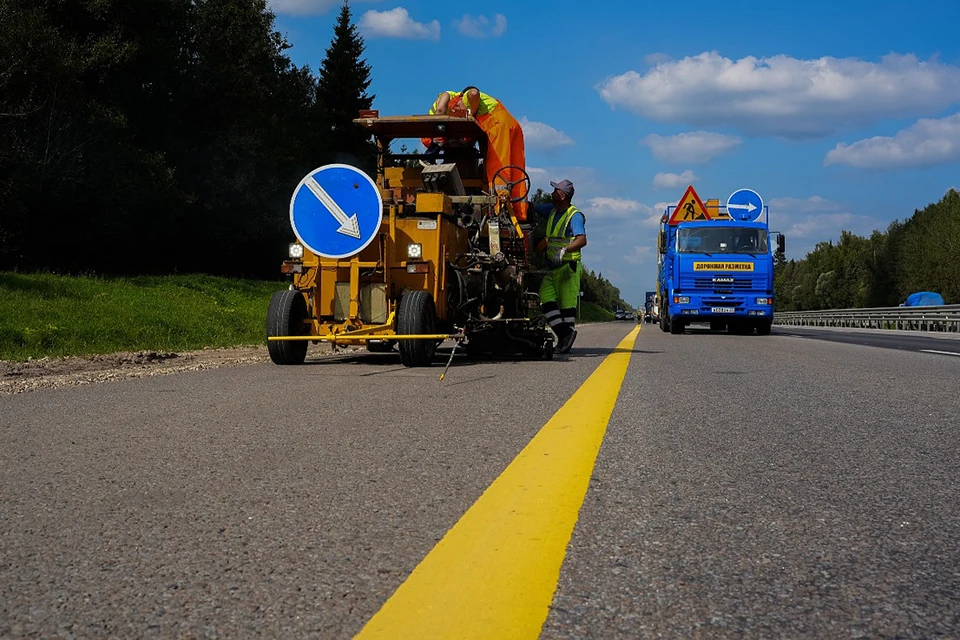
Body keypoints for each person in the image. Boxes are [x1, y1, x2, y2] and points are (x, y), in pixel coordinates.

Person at [422, 86, 528, 220]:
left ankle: (500, 209)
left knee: (499, 170)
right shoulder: (462, 105)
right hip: (511, 124)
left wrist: (469, 117)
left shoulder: (457, 98)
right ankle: (519, 213)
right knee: (516, 172)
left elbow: (473, 93)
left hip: (498, 126)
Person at [533, 179, 586, 354]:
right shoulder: (552, 210)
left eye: (555, 190)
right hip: (553, 267)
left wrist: (565, 250)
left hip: (567, 267)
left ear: (562, 195)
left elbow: (582, 239)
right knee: (544, 298)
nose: (551, 193)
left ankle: (565, 343)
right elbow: (532, 206)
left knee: (567, 308)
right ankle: (566, 335)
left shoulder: (574, 215)